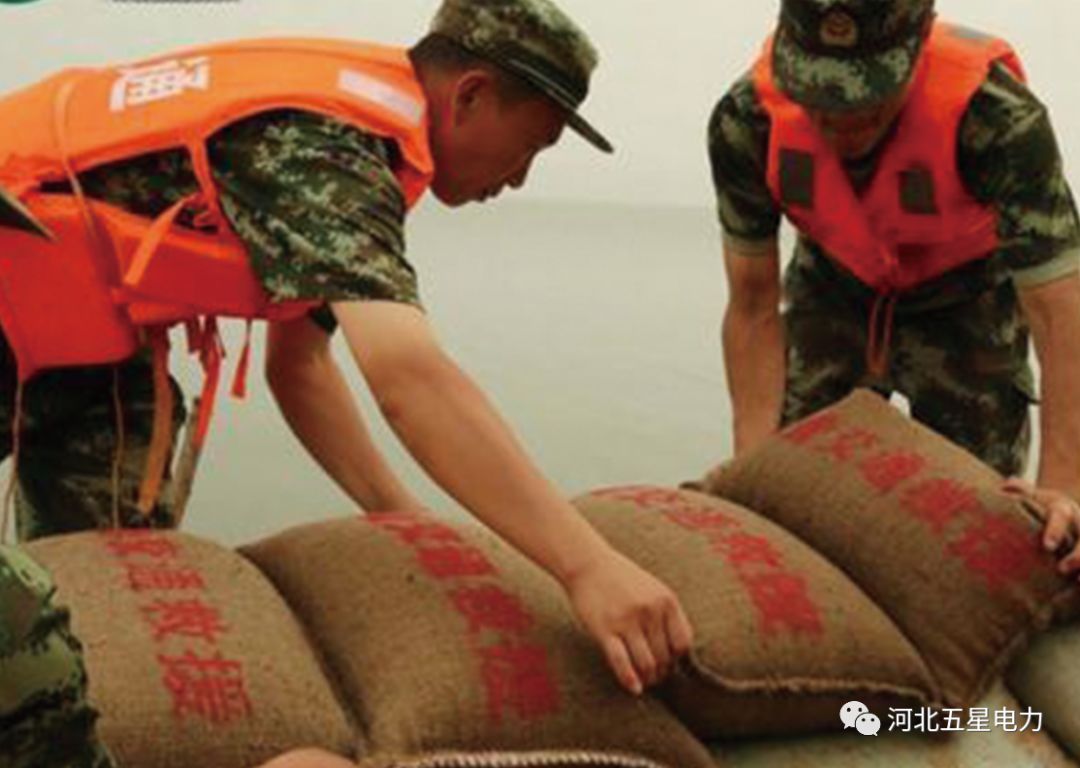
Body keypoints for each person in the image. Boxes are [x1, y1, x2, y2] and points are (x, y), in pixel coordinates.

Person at [0, 0, 690, 694]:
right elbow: (409, 378)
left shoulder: (356, 152)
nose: (519, 179)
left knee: (115, 595)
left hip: (71, 337)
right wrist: (587, 566)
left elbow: (299, 366)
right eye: (531, 147)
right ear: (471, 94)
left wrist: (401, 516)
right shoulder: (325, 150)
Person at [707, 0, 1080, 577]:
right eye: (820, 99)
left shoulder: (997, 118)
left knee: (984, 526)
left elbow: (1062, 318)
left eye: (866, 104)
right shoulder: (746, 121)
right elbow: (753, 305)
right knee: (787, 497)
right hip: (834, 283)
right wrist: (753, 470)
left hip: (968, 296)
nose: (839, 123)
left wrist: (1065, 490)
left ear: (915, 53)